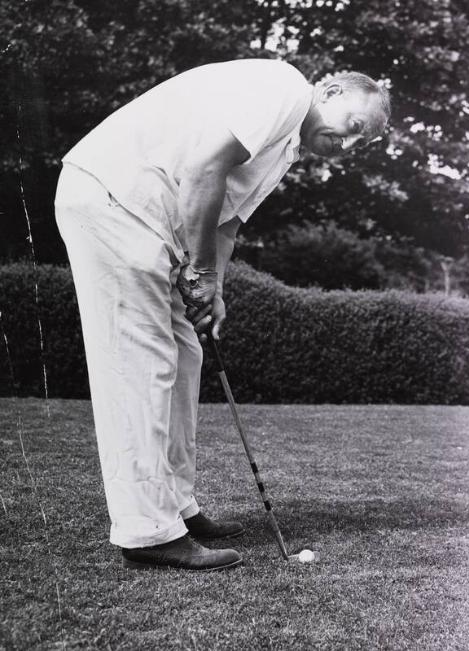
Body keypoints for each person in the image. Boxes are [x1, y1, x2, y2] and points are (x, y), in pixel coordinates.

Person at [54, 58, 390, 572]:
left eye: (358, 145)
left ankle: (178, 508)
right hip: (114, 201)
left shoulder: (285, 149)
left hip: (153, 224)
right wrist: (201, 274)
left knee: (186, 352)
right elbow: (203, 168)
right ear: (333, 90)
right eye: (353, 128)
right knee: (139, 363)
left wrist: (216, 290)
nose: (347, 145)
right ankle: (147, 532)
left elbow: (227, 223)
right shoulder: (286, 88)